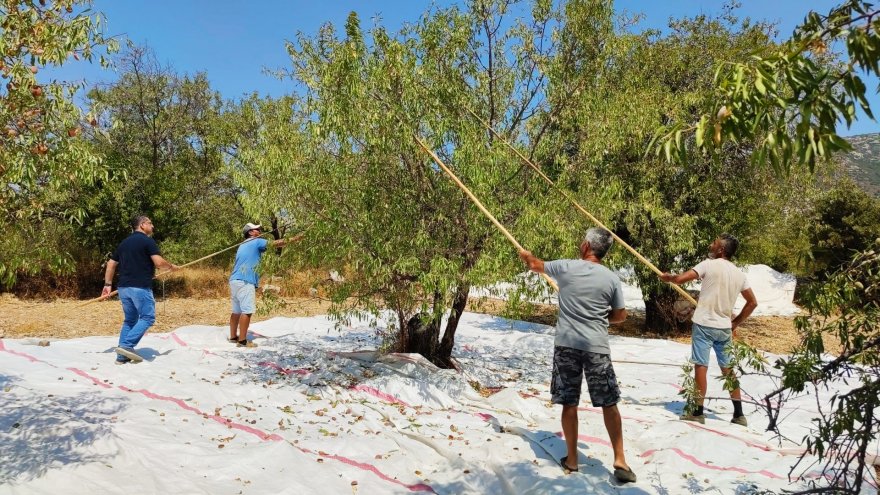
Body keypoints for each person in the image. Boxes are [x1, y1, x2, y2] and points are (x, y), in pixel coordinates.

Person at [519, 227, 636, 484]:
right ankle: (620, 460)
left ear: (585, 246)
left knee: (569, 402)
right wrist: (600, 316)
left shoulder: (566, 267)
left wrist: (526, 255)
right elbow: (620, 316)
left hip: (567, 345)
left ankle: (572, 459)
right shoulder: (611, 278)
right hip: (597, 347)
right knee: (609, 401)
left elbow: (535, 265)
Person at [660, 233, 758, 426]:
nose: (710, 245)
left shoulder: (708, 264)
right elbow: (752, 302)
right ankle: (739, 414)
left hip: (704, 324)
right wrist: (735, 323)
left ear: (721, 249)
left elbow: (681, 279)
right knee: (728, 369)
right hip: (723, 328)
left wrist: (668, 277)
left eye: (714, 243)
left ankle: (697, 412)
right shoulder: (739, 274)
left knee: (701, 367)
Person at [102, 215, 179, 364]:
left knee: (130, 320)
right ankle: (126, 345)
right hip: (140, 288)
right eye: (150, 223)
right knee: (148, 317)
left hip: (123, 288)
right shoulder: (147, 241)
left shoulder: (124, 243)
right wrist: (171, 267)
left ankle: (121, 356)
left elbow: (111, 264)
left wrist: (107, 285)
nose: (153, 226)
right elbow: (158, 262)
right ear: (142, 225)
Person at [228, 223, 303, 347]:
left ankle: (233, 337)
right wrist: (297, 238)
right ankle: (242, 341)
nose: (260, 230)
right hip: (245, 281)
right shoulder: (256, 242)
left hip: (235, 280)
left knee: (236, 311)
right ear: (251, 232)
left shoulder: (243, 245)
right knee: (247, 311)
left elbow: (265, 249)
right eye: (257, 229)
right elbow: (277, 243)